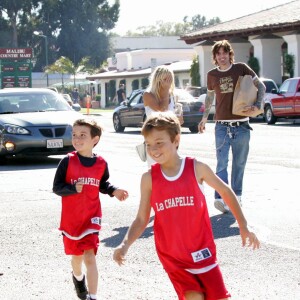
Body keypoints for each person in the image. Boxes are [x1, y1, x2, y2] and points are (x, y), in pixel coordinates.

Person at [113, 112, 260, 300]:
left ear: (176, 140)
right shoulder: (149, 179)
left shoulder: (196, 168)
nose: (153, 149)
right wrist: (125, 245)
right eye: (148, 145)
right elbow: (142, 218)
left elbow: (225, 191)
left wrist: (243, 226)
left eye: (159, 142)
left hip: (202, 252)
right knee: (194, 296)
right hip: (173, 257)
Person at [53, 118, 129, 300]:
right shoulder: (67, 161)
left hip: (91, 218)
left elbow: (103, 184)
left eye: (82, 135)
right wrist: (72, 188)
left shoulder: (101, 163)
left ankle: (92, 297)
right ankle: (78, 279)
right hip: (72, 221)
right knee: (77, 260)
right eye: (74, 135)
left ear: (95, 139)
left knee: (90, 257)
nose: (77, 139)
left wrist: (114, 191)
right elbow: (57, 187)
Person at [198, 40, 266, 213]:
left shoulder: (241, 68)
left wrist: (258, 105)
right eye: (218, 54)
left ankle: (237, 197)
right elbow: (209, 98)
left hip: (242, 126)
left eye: (224, 53)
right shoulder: (212, 75)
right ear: (214, 57)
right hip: (221, 126)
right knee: (221, 163)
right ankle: (221, 197)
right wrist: (204, 118)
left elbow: (261, 86)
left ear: (230, 54)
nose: (222, 57)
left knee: (239, 163)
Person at [142, 65, 183, 166]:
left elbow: (177, 120)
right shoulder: (148, 95)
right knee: (155, 171)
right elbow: (162, 111)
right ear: (158, 79)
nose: (168, 82)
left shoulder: (172, 96)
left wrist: (179, 117)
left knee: (171, 169)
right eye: (165, 79)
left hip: (170, 139)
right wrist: (165, 91)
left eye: (170, 79)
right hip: (155, 139)